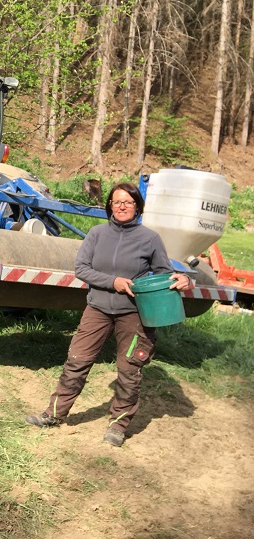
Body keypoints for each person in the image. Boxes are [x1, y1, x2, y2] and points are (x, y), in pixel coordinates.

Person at [25, 182, 191, 446]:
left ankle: (118, 426)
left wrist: (182, 280)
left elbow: (163, 274)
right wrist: (113, 282)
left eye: (128, 202)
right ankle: (54, 414)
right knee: (76, 361)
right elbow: (82, 268)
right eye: (116, 202)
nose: (122, 207)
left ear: (137, 206)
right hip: (98, 309)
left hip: (134, 314)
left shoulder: (150, 238)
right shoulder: (97, 234)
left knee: (129, 371)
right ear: (109, 206)